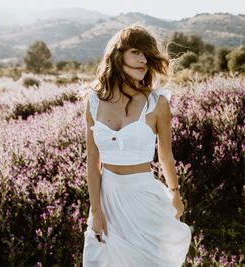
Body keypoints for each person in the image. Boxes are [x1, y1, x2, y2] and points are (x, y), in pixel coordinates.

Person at [82, 25, 191, 266]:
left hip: (144, 199)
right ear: (117, 55)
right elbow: (92, 160)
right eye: (136, 52)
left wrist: (175, 195)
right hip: (107, 198)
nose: (143, 60)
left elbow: (165, 156)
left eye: (146, 54)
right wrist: (97, 211)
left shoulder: (157, 103)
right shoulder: (93, 102)